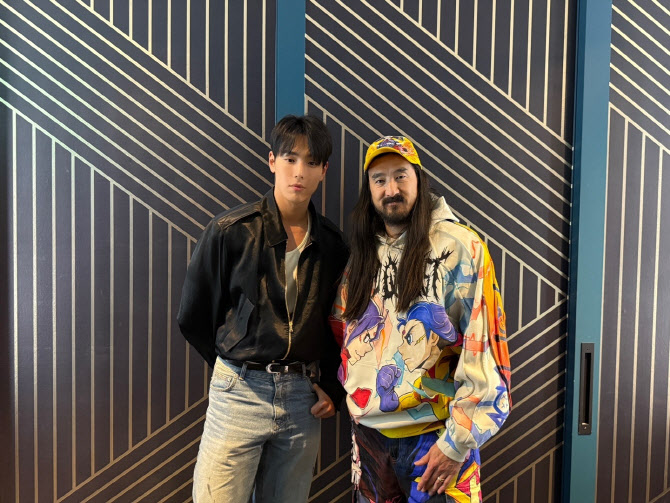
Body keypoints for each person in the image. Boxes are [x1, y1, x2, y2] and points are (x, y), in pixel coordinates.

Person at [177, 115, 349, 502]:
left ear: (324, 171)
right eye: (290, 159)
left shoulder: (333, 245)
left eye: (311, 162)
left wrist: (332, 387)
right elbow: (193, 316)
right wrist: (234, 365)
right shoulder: (231, 231)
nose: (299, 172)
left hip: (302, 399)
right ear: (272, 161)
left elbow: (338, 325)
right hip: (239, 393)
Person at [330, 136, 511, 502]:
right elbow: (344, 333)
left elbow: (486, 349)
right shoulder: (363, 253)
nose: (391, 189)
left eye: (400, 175)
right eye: (379, 179)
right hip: (369, 439)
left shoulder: (459, 247)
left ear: (419, 179)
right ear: (369, 189)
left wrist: (456, 443)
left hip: (436, 439)